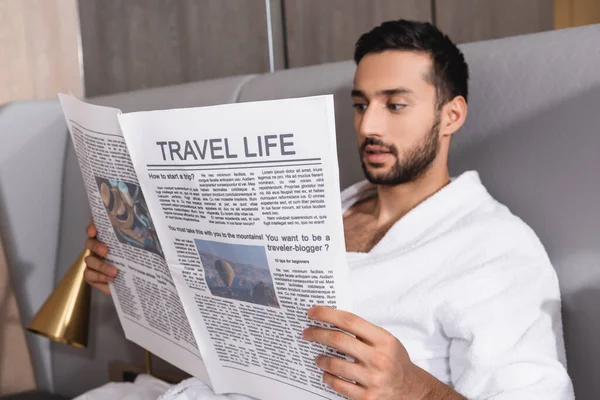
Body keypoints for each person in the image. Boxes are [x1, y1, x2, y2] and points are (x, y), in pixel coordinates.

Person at [83, 20, 574, 399]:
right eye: (361, 105)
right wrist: (135, 270)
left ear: (452, 115)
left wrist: (413, 389)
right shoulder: (320, 208)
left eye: (395, 105)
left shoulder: (496, 249)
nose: (368, 126)